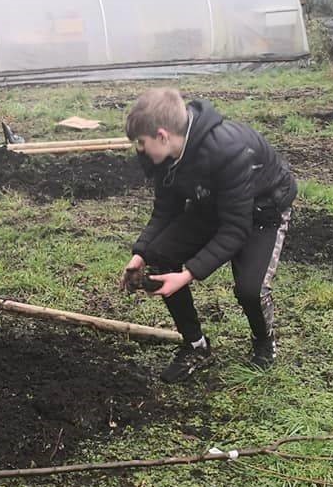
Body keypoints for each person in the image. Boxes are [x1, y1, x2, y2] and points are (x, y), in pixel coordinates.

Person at [121, 88, 296, 382]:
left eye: (142, 143)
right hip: (214, 202)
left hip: (262, 211)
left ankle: (265, 344)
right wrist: (141, 253)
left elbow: (236, 229)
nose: (140, 150)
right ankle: (196, 346)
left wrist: (188, 274)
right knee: (160, 256)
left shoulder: (228, 150)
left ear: (162, 135)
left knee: (250, 290)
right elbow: (165, 211)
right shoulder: (165, 156)